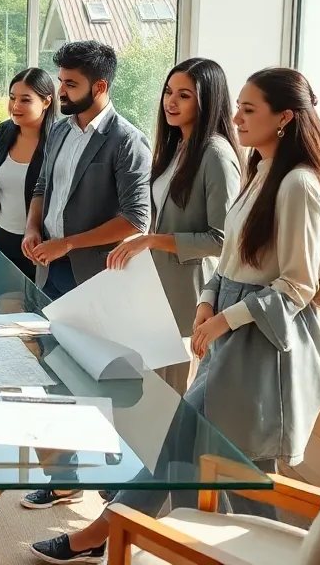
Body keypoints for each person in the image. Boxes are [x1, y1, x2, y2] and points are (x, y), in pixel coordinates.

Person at [29, 67, 320, 564]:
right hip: (228, 332)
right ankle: (147, 539)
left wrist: (223, 318)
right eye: (239, 107)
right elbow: (229, 262)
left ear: (285, 117)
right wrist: (209, 301)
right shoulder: (261, 171)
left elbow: (296, 286)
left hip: (263, 345)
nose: (237, 118)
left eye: (249, 110)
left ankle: (114, 534)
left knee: (228, 463)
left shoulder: (299, 185)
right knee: (188, 447)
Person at [104, 58, 241, 394]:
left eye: (184, 95)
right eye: (168, 92)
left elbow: (222, 239)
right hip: (157, 289)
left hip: (189, 294)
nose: (170, 101)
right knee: (148, 391)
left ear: (206, 101)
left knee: (169, 395)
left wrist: (151, 241)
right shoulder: (178, 147)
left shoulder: (216, 156)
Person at [22, 40, 151, 300]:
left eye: (71, 84)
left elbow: (136, 219)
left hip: (94, 277)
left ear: (99, 86)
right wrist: (32, 229)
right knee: (45, 341)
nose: (61, 91)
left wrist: (68, 244)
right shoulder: (58, 130)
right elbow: (43, 186)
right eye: (61, 81)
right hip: (47, 269)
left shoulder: (128, 141)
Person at [0, 67, 57, 280]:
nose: (15, 106)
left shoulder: (58, 141)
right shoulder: (4, 131)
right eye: (12, 98)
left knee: (33, 310)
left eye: (25, 100)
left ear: (46, 101)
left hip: (38, 245)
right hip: (2, 238)